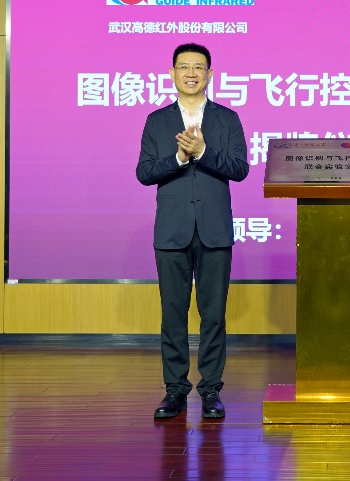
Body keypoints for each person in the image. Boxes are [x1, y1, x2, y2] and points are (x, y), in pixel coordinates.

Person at [137, 43, 249, 420]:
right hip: (172, 230)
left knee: (213, 314)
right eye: (183, 67)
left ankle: (211, 389)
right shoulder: (157, 121)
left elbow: (240, 169)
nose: (191, 73)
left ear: (209, 75)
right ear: (172, 73)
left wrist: (202, 153)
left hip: (214, 230)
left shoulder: (227, 119)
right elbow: (144, 173)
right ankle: (175, 390)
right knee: (173, 314)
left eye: (198, 67)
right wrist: (178, 159)